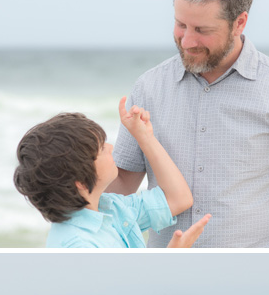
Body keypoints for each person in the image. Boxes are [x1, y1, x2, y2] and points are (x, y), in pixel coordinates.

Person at [111, 0, 269, 247]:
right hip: (166, 272)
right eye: (181, 25)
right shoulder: (149, 87)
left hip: (254, 276)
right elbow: (123, 182)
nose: (187, 41)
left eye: (202, 30)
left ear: (239, 23)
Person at [13, 97, 210, 249]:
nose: (110, 147)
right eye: (100, 149)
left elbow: (179, 198)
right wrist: (169, 260)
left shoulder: (111, 208)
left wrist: (145, 137)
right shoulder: (78, 246)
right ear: (80, 181)